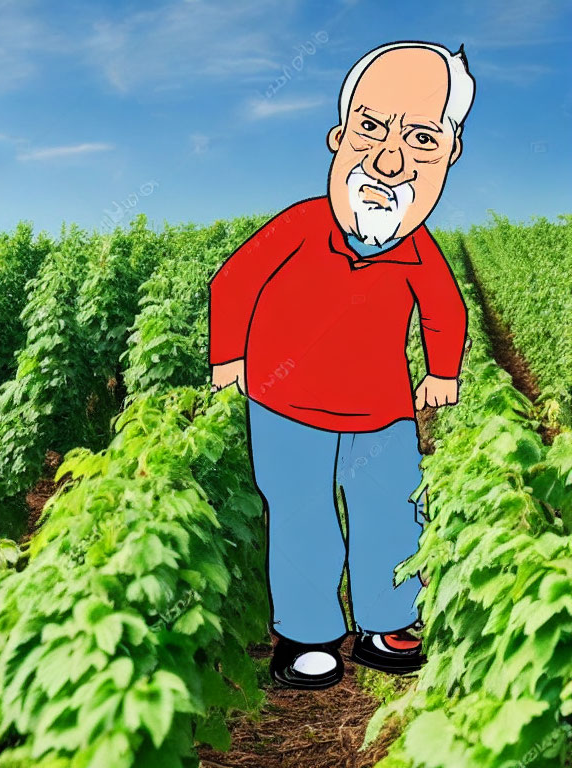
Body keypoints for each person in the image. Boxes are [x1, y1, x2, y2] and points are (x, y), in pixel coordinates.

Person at [208, 41, 474, 689]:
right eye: (372, 130)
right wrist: (229, 356)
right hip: (285, 405)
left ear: (448, 154)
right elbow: (234, 282)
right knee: (301, 511)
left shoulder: (418, 248)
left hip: (380, 410)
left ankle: (387, 624)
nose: (389, 160)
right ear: (339, 135)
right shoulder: (300, 224)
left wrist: (442, 371)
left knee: (390, 510)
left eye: (420, 140)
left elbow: (446, 310)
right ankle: (308, 636)